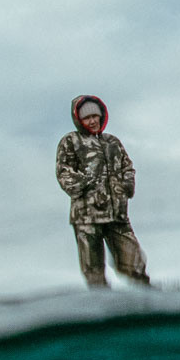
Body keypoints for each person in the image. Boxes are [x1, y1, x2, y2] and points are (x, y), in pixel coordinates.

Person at [55, 95, 150, 288]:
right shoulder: (70, 141)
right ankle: (102, 310)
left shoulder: (112, 142)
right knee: (94, 273)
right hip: (86, 217)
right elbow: (64, 172)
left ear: (101, 116)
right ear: (79, 120)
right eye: (87, 118)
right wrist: (88, 183)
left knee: (135, 264)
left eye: (94, 116)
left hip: (118, 216)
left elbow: (128, 167)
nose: (92, 121)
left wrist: (124, 187)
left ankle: (145, 303)